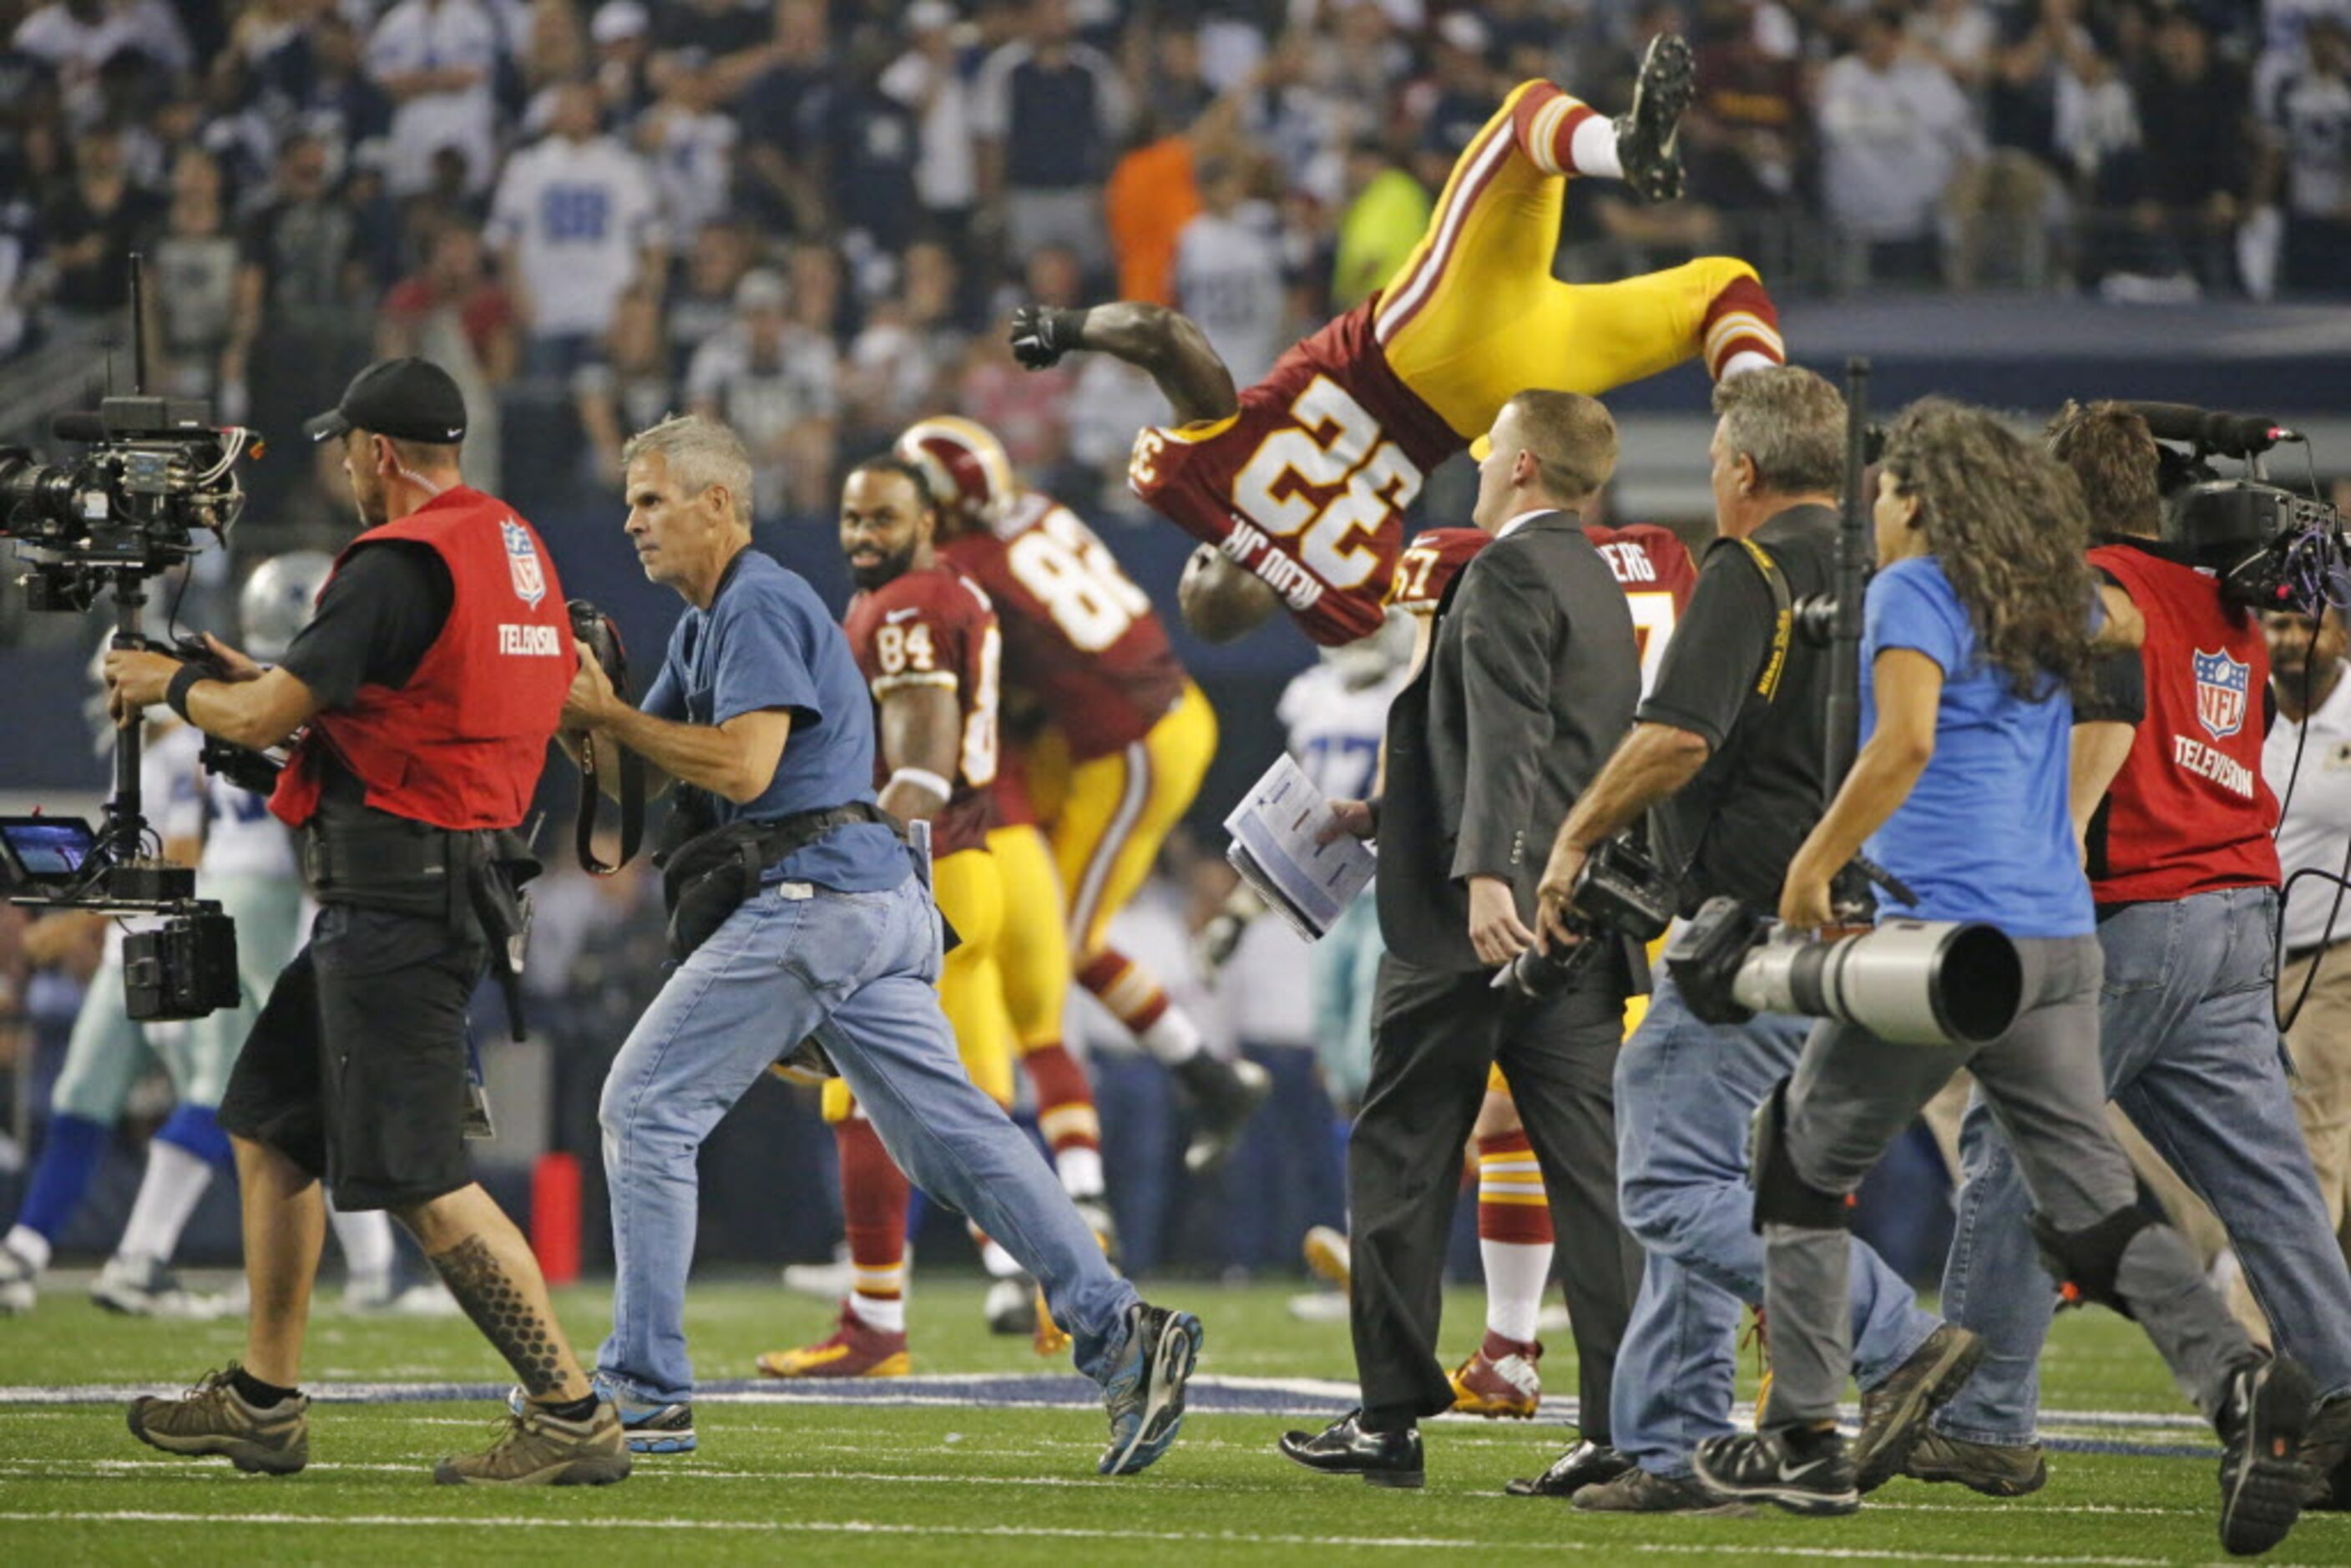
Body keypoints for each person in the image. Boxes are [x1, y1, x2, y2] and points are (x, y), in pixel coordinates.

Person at [1689, 401, 2314, 1561]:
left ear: (1920, 500)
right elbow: (2131, 623)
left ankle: (1803, 1434)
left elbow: (1907, 742)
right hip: (2064, 940)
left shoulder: (1915, 589)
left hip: (1952, 945)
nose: (1871, 509)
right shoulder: (2057, 598)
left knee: (1796, 1155)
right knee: (2090, 1209)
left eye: (1881, 492)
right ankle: (2238, 1382)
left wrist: (1814, 862)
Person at [559, 414, 1201, 1476]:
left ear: (718, 504)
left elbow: (743, 767)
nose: (630, 522)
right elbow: (631, 790)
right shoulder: (702, 627)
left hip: (815, 894)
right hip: (873, 900)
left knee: (644, 1107)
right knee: (960, 1140)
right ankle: (1123, 1332)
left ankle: (644, 1391)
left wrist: (613, 719)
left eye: (650, 500)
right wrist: (573, 705)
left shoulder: (760, 600)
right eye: (628, 502)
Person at [104, 357, 624, 1485]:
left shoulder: (392, 563)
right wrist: (265, 684)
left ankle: (572, 1411)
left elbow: (259, 713)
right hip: (440, 876)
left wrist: (171, 685)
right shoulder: (509, 543)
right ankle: (264, 1398)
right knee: (272, 1122)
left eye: (347, 444)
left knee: (423, 1175)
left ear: (377, 453)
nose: (342, 463)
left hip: (400, 897)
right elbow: (414, 705)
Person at [1521, 367, 1960, 1512]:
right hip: (1864, 916)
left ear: (1746, 471)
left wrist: (1576, 836)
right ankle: (1673, 1445)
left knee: (1665, 1177)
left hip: (1754, 929)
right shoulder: (1893, 581)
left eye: (1719, 459)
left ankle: (1892, 1332)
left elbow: (1676, 739)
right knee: (1707, 1166)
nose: (1714, 476)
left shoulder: (1751, 568)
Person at [1009, 35, 1785, 649]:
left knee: (1726, 292)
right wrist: (1063, 328)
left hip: (1492, 404)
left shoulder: (1345, 603)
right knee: (1527, 114)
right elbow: (1161, 332)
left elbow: (1463, 565)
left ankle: (1770, 474)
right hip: (1416, 342)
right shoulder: (1203, 477)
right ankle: (1622, 151)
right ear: (1207, 557)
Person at [1923, 402, 2351, 1506]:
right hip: (2237, 912)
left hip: (2130, 913)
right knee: (2271, 1184)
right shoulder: (2232, 602)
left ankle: (1980, 1415)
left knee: (2015, 1139)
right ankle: (2345, 1395)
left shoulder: (2093, 592)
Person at [1278, 391, 1642, 1490]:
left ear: (1524, 466)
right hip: (1574, 921)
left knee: (1400, 1154)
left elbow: (1510, 738)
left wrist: (1488, 871)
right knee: (1594, 1176)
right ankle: (1623, 1426)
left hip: (1470, 920)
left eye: (1494, 447)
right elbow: (1568, 749)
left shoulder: (1505, 570)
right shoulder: (1600, 579)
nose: (1480, 460)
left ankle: (1389, 1418)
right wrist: (1383, 814)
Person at [897, 416, 1267, 1196]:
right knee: (1054, 933)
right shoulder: (1038, 508)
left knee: (1056, 942)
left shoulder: (964, 563)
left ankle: (1204, 1081)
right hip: (1131, 725)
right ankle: (1204, 1077)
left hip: (1128, 747)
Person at [1393, 512, 1701, 1425]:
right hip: (1655, 857)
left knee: (1657, 1132)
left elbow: (1438, 716)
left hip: (1554, 858)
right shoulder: (1658, 556)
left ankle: (1772, 1329)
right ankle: (1509, 1344)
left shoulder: (1487, 564)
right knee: (1527, 1109)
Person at [755, 456, 1024, 1378]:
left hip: (923, 864)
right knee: (970, 1099)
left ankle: (873, 1324)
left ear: (927, 521)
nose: (862, 535)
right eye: (850, 517)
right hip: (965, 864)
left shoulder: (909, 605)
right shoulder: (938, 592)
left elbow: (919, 767)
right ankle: (1049, 1273)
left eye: (883, 518)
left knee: (855, 1098)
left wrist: (857, 865)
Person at [2264, 605, 2351, 1308]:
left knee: (2309, 1134)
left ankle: (2278, 1339)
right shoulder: (2244, 713)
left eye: (2305, 625)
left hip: (2338, 955)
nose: (2290, 640)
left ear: (2342, 636)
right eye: (2275, 625)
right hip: (2249, 958)